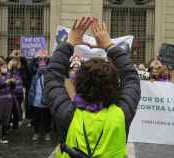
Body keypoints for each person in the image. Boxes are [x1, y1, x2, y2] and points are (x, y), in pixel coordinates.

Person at [44, 17, 140, 158]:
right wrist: (110, 46)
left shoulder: (67, 113)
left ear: (78, 84)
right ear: (115, 85)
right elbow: (131, 77)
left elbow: (51, 75)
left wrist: (69, 43)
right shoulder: (122, 113)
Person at [28, 50, 51, 141]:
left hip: (47, 100)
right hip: (36, 101)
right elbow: (29, 67)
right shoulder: (34, 73)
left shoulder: (49, 73)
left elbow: (52, 63)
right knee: (36, 119)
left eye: (44, 63)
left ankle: (47, 133)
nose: (42, 66)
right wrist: (36, 57)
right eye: (40, 64)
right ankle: (36, 133)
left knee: (47, 119)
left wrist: (47, 57)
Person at [0, 59, 14, 144]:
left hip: (8, 100)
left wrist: (13, 82)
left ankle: (3, 136)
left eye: (6, 67)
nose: (5, 68)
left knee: (6, 119)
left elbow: (12, 88)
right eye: (3, 67)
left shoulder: (9, 74)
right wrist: (5, 83)